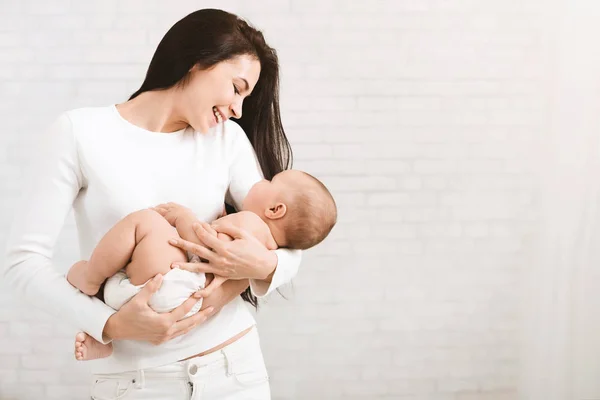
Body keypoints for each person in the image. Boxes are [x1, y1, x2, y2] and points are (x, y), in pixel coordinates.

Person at [3, 8, 306, 399]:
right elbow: (21, 263)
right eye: (236, 88)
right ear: (199, 62)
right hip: (134, 384)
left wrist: (263, 265)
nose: (238, 110)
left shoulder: (227, 141)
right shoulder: (81, 133)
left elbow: (286, 233)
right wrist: (110, 325)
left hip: (235, 372)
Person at [70, 169, 337, 361]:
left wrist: (184, 217)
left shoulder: (250, 224)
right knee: (131, 264)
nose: (260, 179)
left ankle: (90, 278)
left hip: (179, 285)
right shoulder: (265, 244)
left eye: (269, 180)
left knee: (145, 222)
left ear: (275, 210)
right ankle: (105, 339)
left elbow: (207, 247)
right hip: (185, 300)